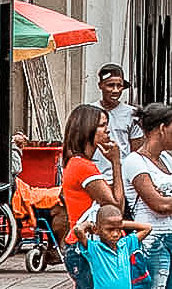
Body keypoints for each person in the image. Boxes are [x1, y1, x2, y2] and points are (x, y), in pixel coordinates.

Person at [122, 103, 172, 288]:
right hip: (155, 240)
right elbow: (158, 205)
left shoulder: (167, 160)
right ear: (162, 129)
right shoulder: (135, 162)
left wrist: (171, 203)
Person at [59, 103, 127, 288]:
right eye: (102, 125)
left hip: (84, 245)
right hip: (87, 246)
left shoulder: (78, 163)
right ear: (87, 130)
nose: (108, 131)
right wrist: (116, 163)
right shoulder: (83, 167)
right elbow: (116, 209)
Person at [77, 203, 153, 289]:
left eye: (119, 229)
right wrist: (89, 224)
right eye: (110, 229)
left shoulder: (125, 245)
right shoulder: (94, 249)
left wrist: (119, 223)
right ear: (96, 229)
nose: (115, 234)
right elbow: (78, 230)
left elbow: (148, 228)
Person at [96, 63, 141, 154]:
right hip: (95, 167)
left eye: (119, 86)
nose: (116, 90)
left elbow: (136, 151)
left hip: (122, 166)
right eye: (110, 85)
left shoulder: (132, 113)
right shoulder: (89, 112)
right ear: (100, 85)